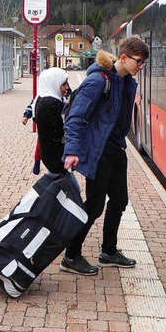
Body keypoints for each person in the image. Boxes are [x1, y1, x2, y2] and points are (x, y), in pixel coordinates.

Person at [61, 36, 149, 275]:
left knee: (120, 201)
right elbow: (75, 118)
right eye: (138, 62)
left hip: (116, 151)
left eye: (143, 63)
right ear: (123, 57)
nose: (140, 67)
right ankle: (71, 255)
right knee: (94, 206)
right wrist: (71, 151)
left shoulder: (127, 82)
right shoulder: (98, 81)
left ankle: (109, 251)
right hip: (98, 154)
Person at [33, 67, 74, 178]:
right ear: (54, 83)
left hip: (49, 154)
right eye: (64, 84)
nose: (67, 87)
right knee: (70, 188)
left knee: (60, 187)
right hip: (56, 155)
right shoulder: (53, 103)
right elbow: (65, 127)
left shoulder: (41, 99)